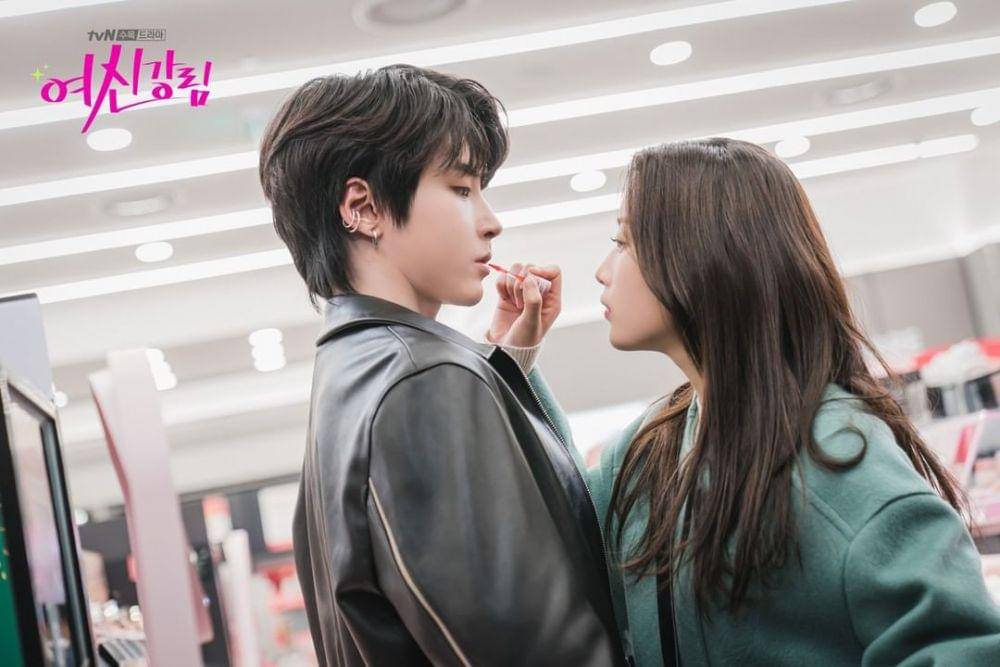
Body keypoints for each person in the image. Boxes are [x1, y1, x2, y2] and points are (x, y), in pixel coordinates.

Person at [258, 64, 627, 666]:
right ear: (364, 207)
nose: (491, 220)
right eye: (461, 188)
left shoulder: (352, 370)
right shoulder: (423, 378)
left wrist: (503, 367)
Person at [584, 137, 1000, 665]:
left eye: (622, 242)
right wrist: (513, 365)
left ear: (698, 257)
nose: (602, 270)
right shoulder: (652, 448)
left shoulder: (837, 463)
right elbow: (552, 536)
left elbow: (963, 649)